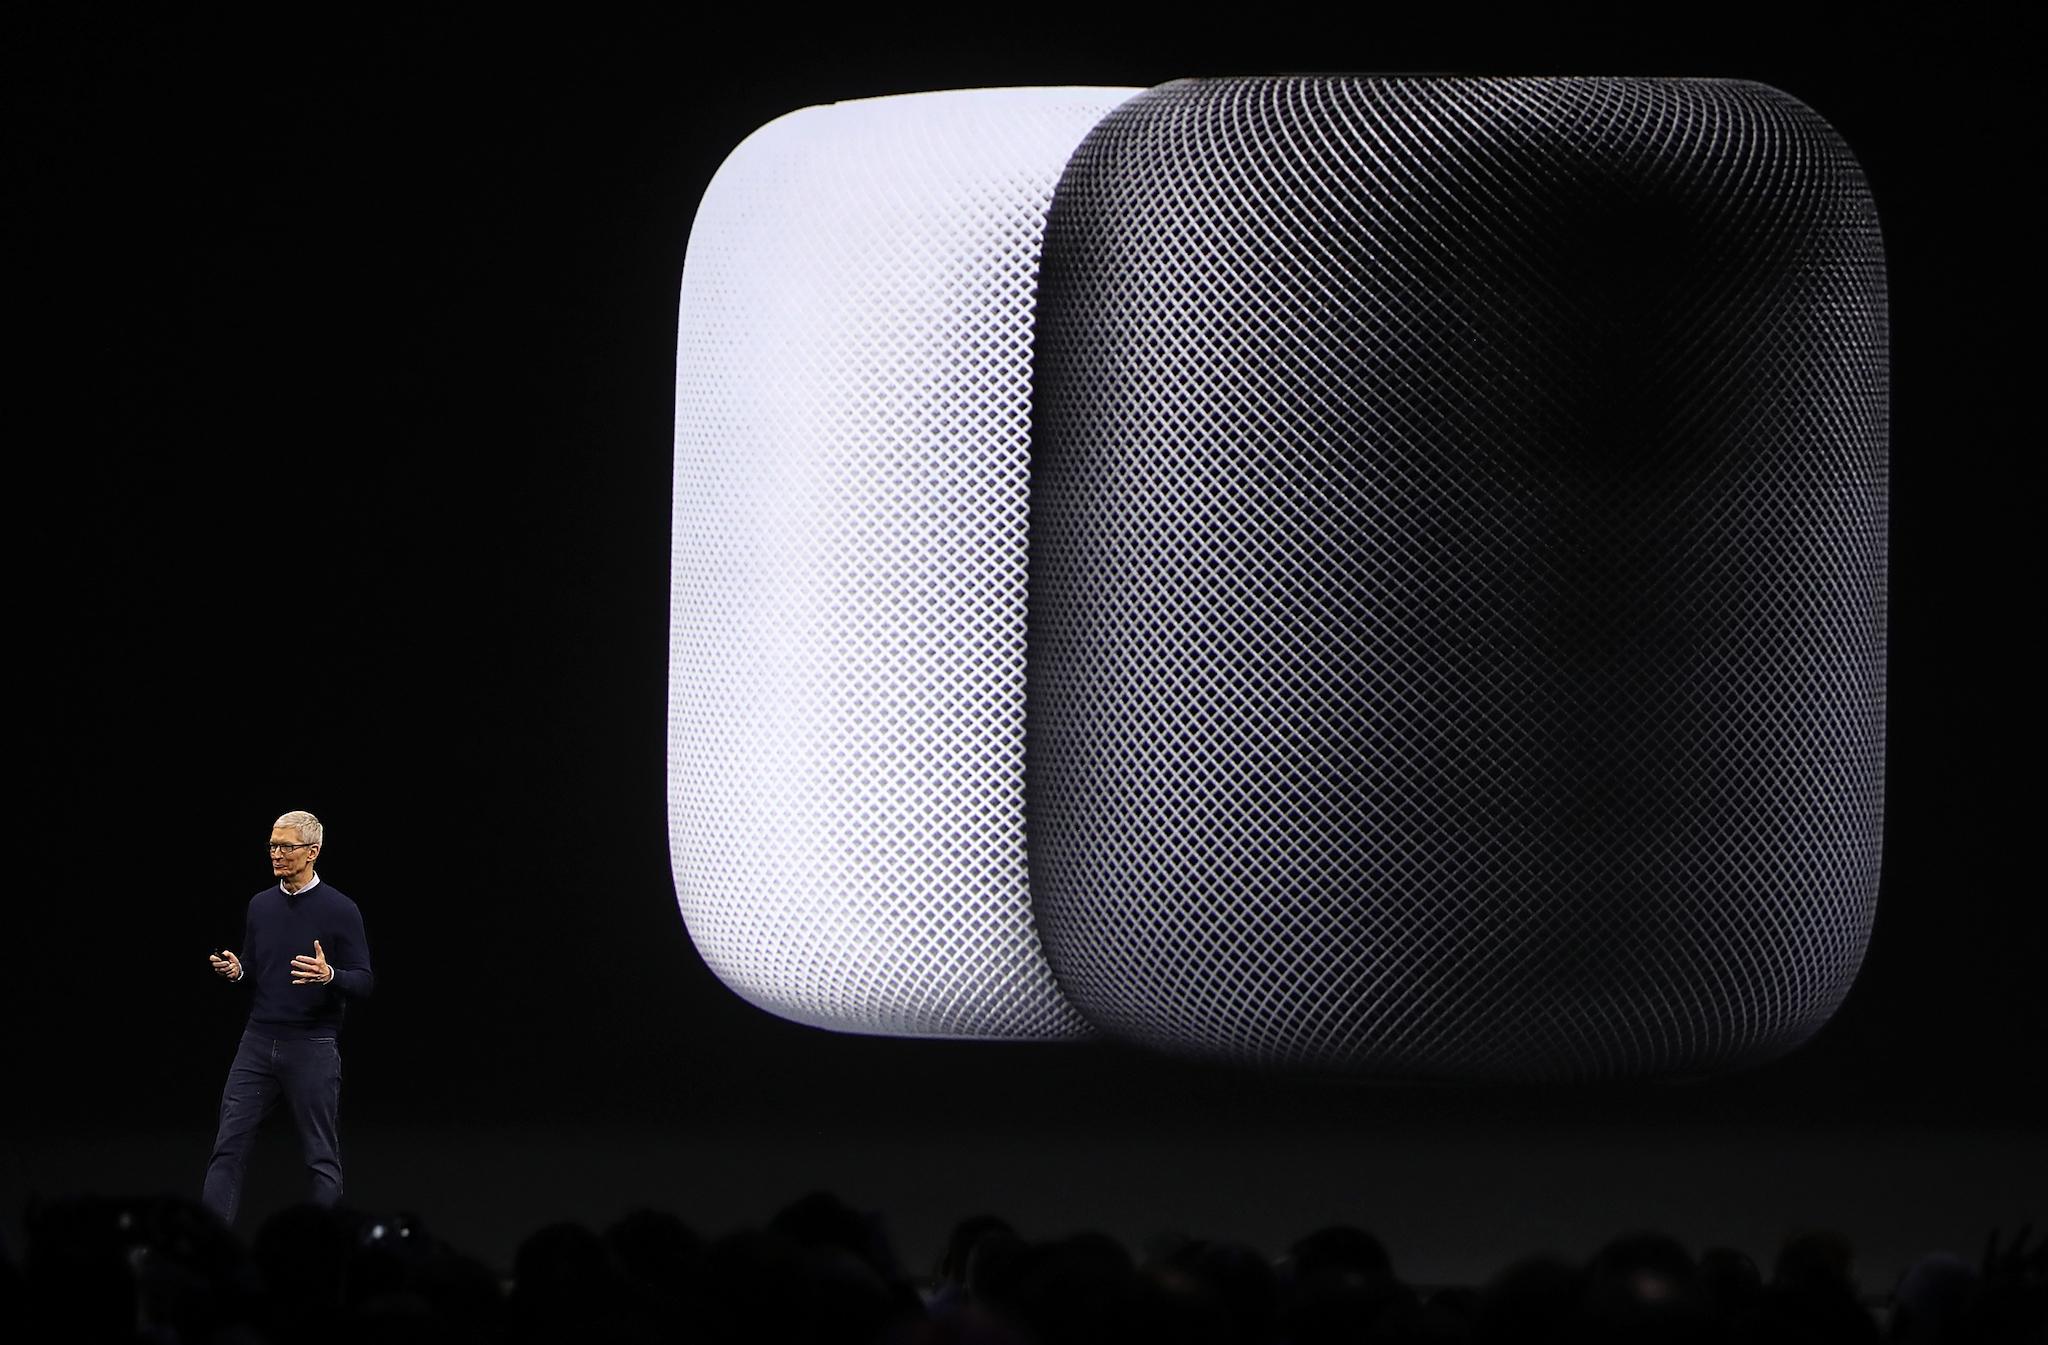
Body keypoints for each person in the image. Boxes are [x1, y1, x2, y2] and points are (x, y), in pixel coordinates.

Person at [201, 811, 374, 1226]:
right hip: (258, 1042)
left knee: (320, 1156)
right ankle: (209, 1247)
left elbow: (364, 981)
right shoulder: (260, 905)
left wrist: (331, 975)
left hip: (311, 1046)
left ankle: (323, 1251)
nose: (276, 854)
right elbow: (258, 966)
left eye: (286, 846)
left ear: (312, 852)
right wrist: (239, 970)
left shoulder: (340, 909)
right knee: (228, 1147)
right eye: (273, 846)